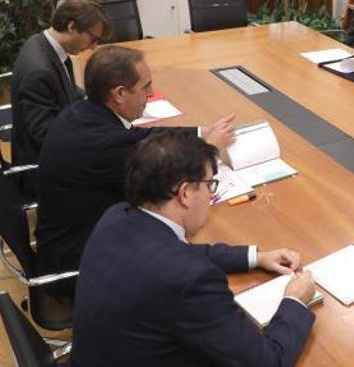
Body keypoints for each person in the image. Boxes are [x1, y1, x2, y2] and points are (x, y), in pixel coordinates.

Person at [70, 130, 316, 366]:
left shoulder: (117, 217)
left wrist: (255, 257)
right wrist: (295, 300)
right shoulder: (190, 280)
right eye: (210, 185)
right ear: (185, 193)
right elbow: (267, 361)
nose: (211, 195)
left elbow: (178, 254)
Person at [36, 46, 235, 294]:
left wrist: (199, 133)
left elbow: (138, 138)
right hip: (81, 260)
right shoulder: (103, 143)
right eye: (145, 87)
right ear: (119, 94)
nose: (151, 93)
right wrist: (210, 150)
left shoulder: (84, 112)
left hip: (68, 237)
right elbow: (171, 183)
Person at [11, 0, 111, 171]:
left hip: (59, 146)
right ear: (72, 27)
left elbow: (68, 90)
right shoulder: (38, 72)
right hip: (45, 170)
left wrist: (101, 101)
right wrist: (94, 134)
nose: (94, 47)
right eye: (93, 38)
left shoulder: (43, 44)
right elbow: (46, 136)